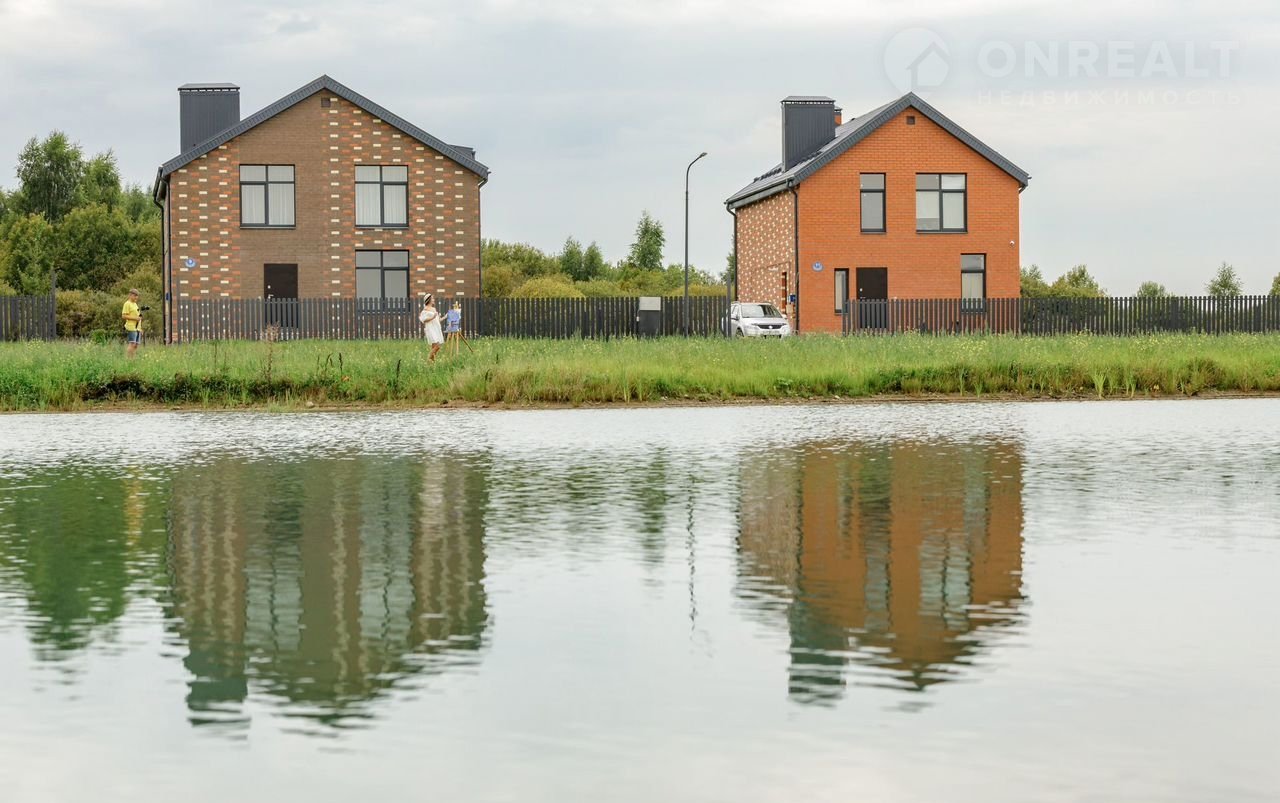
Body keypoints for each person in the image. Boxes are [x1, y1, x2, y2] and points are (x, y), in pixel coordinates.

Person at [419, 294, 444, 361]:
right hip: (430, 329)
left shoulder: (434, 309)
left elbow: (438, 320)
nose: (433, 300)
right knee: (437, 346)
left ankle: (431, 362)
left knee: (434, 347)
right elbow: (423, 320)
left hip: (436, 329)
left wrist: (445, 317)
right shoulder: (425, 309)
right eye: (432, 298)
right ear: (429, 300)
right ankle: (428, 360)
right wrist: (432, 317)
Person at [122, 289, 143, 358]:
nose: (136, 297)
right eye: (135, 295)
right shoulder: (127, 304)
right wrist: (135, 318)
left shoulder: (135, 304)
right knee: (132, 343)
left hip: (137, 327)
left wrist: (140, 328)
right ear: (130, 295)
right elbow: (124, 316)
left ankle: (133, 358)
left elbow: (137, 316)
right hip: (131, 326)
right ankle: (129, 359)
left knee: (136, 344)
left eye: (137, 296)